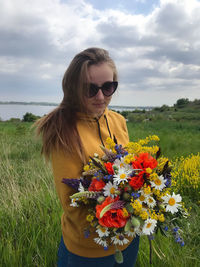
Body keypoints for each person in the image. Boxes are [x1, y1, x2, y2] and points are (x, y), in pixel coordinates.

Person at [35, 47, 139, 267]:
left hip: (128, 239)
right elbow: (72, 203)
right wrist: (125, 215)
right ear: (73, 88)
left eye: (108, 87)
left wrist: (143, 208)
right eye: (90, 89)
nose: (101, 97)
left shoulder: (118, 120)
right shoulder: (64, 130)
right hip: (88, 251)